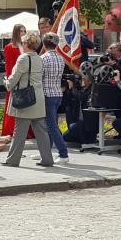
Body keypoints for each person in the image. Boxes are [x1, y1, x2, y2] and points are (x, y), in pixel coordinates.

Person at [1, 33, 54, 167]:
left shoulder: (23, 58)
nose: (22, 45)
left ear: (26, 44)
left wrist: (7, 83)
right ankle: (47, 159)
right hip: (38, 97)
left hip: (26, 99)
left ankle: (12, 160)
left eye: (23, 43)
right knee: (41, 132)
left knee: (19, 132)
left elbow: (14, 78)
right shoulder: (39, 58)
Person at [40, 32, 69, 163]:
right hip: (58, 93)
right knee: (50, 124)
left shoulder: (43, 58)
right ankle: (46, 152)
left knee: (51, 126)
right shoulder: (60, 58)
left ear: (44, 44)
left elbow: (40, 77)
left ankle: (63, 154)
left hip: (47, 94)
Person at [1, 24, 29, 137]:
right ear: (16, 33)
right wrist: (10, 81)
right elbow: (8, 67)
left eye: (24, 31)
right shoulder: (9, 47)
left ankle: (27, 131)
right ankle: (11, 130)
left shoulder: (27, 46)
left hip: (26, 81)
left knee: (26, 106)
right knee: (13, 106)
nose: (23, 33)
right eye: (21, 31)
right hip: (14, 80)